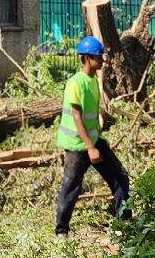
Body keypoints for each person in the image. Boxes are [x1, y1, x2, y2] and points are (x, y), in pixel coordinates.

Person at [54, 35, 131, 235]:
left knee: (120, 177)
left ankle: (124, 225)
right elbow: (77, 118)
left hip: (94, 142)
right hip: (77, 146)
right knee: (71, 188)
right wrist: (90, 147)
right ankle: (61, 232)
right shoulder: (75, 83)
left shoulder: (92, 81)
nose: (103, 60)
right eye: (99, 56)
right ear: (87, 58)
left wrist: (95, 142)